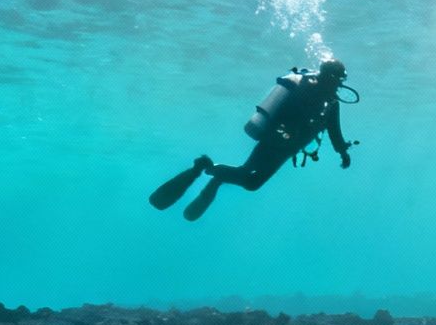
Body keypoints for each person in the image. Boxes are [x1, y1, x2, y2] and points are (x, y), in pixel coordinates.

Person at [150, 57, 357, 221]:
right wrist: (341, 151)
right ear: (329, 76)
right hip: (273, 142)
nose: (338, 85)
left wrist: (343, 152)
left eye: (340, 81)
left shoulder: (330, 103)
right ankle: (205, 168)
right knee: (249, 177)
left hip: (286, 149)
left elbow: (334, 130)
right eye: (337, 80)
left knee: (251, 182)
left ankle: (215, 174)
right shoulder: (306, 90)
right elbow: (289, 117)